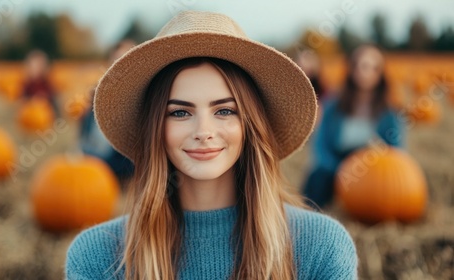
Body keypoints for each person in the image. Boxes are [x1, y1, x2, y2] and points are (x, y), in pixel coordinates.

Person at [66, 11, 357, 280]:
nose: (203, 132)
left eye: (224, 111)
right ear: (155, 128)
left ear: (249, 125)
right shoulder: (98, 257)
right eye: (180, 112)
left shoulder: (320, 247)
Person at [302, 44, 404, 209]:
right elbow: (321, 145)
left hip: (373, 171)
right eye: (363, 66)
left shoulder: (389, 112)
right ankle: (308, 212)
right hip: (337, 165)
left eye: (374, 68)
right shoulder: (333, 106)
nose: (367, 73)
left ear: (381, 73)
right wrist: (339, 170)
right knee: (317, 177)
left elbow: (397, 149)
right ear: (353, 68)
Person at [79, 40, 136, 182]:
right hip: (96, 151)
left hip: (121, 160)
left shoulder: (140, 94)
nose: (119, 67)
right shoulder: (99, 92)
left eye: (124, 61)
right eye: (115, 62)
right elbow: (87, 131)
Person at [21, 49, 60, 116]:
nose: (37, 69)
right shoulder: (27, 85)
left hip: (45, 115)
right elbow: (23, 101)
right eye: (34, 66)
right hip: (31, 114)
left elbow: (54, 102)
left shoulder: (47, 85)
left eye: (40, 65)